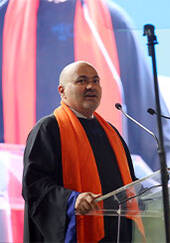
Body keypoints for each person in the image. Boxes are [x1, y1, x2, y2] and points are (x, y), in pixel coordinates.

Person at [22, 61, 142, 242]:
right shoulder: (49, 128)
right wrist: (72, 200)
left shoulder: (110, 133)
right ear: (61, 90)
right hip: (74, 231)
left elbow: (128, 185)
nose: (91, 86)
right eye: (81, 81)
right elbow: (34, 185)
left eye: (96, 81)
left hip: (117, 233)